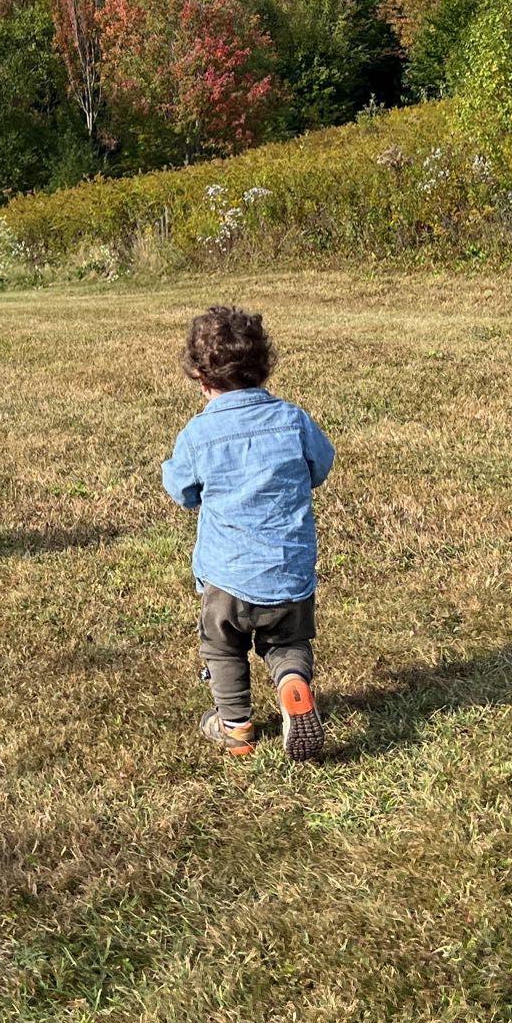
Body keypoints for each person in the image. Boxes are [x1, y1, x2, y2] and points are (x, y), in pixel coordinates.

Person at [162, 305, 334, 761]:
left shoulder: (199, 434)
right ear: (264, 367)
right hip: (289, 574)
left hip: (227, 579)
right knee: (288, 642)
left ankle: (236, 727)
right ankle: (293, 683)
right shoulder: (294, 420)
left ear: (200, 377)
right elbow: (320, 466)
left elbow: (181, 489)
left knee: (222, 648)